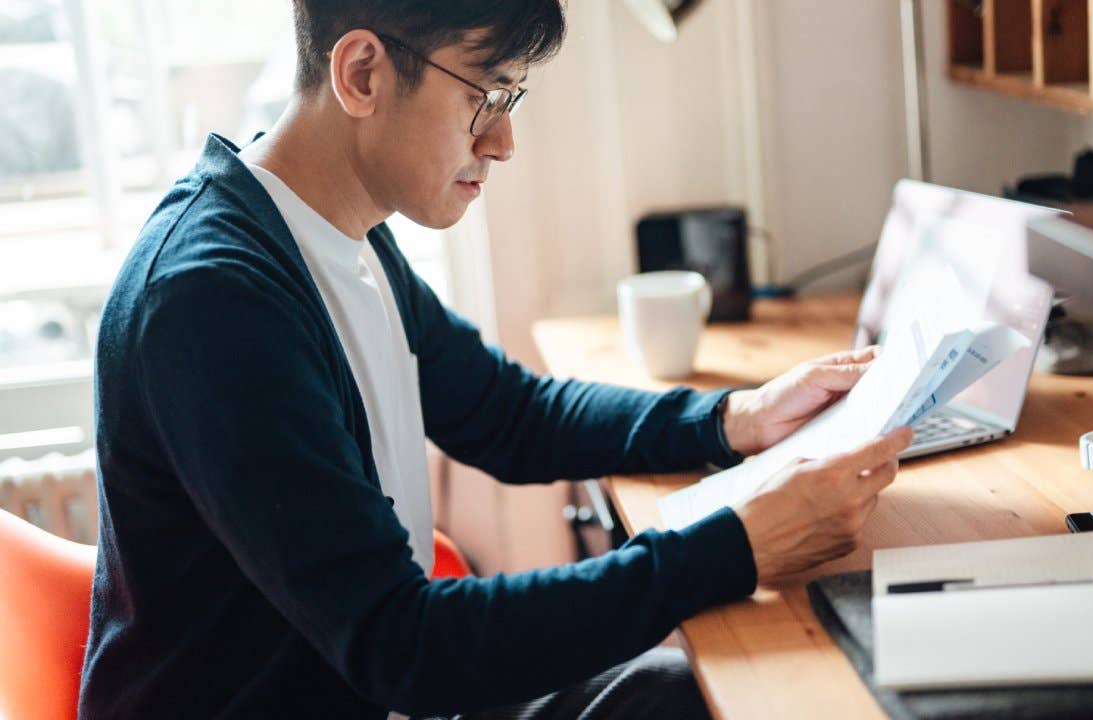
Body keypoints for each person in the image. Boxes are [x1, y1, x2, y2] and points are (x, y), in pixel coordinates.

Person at [78, 2, 912, 718]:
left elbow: (508, 415)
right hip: (348, 691)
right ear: (362, 73)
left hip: (381, 688)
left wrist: (734, 418)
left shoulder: (335, 233)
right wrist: (737, 546)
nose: (505, 140)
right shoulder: (212, 303)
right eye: (487, 96)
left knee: (694, 690)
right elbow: (402, 644)